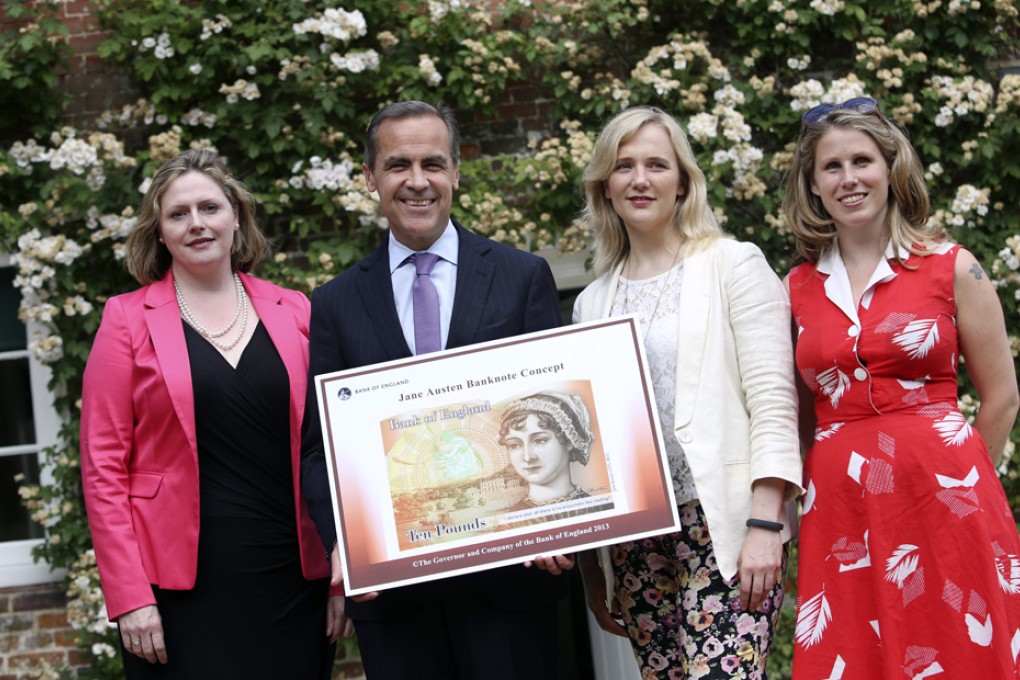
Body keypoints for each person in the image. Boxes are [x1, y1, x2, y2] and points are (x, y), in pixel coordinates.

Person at [300, 100, 568, 680]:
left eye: (432, 163)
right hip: (396, 600)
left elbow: (555, 406)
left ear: (455, 173)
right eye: (398, 165)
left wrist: (556, 522)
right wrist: (343, 540)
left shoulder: (523, 277)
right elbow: (319, 448)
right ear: (370, 178)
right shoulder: (335, 303)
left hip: (512, 582)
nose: (417, 181)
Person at [80, 149, 348, 679]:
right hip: (178, 589)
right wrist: (130, 595)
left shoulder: (294, 309)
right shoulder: (126, 320)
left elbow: (331, 447)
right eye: (179, 214)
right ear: (159, 232)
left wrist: (341, 574)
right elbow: (102, 469)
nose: (197, 223)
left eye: (210, 207)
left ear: (236, 218)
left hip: (293, 579)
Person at [783, 97, 1020, 678]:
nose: (848, 179)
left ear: (890, 167)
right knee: (855, 656)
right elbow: (798, 415)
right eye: (831, 167)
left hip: (949, 501)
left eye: (862, 161)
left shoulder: (952, 267)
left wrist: (960, 486)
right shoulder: (794, 288)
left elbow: (1003, 397)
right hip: (841, 506)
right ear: (813, 185)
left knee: (961, 649)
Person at [570, 105, 802, 677]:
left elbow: (773, 401)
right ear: (606, 185)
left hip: (726, 525)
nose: (640, 179)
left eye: (657, 164)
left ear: (683, 182)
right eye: (624, 166)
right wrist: (594, 569)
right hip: (635, 542)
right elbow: (588, 444)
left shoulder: (734, 265)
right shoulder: (589, 303)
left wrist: (767, 524)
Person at [499, 391, 596, 510]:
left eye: (539, 441)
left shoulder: (600, 509)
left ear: (569, 440)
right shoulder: (509, 524)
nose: (527, 457)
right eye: (514, 445)